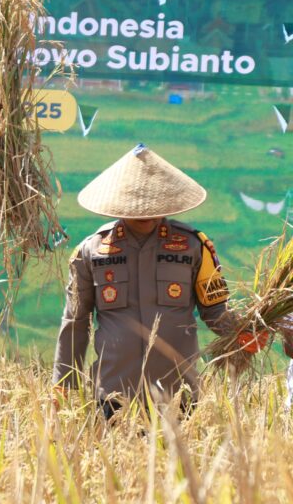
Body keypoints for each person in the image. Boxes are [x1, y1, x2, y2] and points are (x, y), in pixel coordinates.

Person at [52, 144, 265, 418]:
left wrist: (244, 330)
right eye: (137, 204)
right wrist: (63, 381)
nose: (146, 212)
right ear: (119, 201)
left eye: (154, 202)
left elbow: (215, 312)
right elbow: (75, 321)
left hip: (178, 393)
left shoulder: (193, 246)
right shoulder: (91, 251)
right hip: (115, 394)